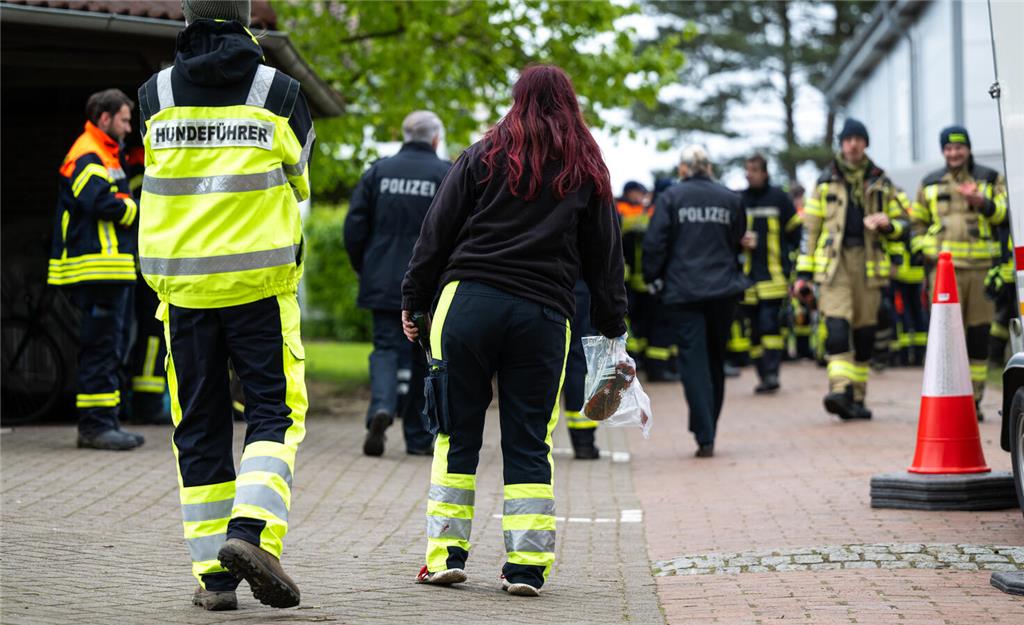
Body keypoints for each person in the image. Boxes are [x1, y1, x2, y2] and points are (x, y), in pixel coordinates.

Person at [401, 64, 627, 597]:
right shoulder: (587, 169)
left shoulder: (483, 156)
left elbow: (436, 231)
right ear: (571, 105)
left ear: (517, 100)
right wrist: (612, 325)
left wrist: (413, 299)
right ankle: (525, 567)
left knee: (455, 432)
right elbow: (605, 257)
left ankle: (444, 558)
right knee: (530, 441)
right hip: (544, 314)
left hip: (467, 306)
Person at [137, 0, 315, 611]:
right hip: (257, 287)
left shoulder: (153, 93)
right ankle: (250, 535)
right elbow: (299, 180)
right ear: (245, 16)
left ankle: (215, 580)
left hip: (183, 290)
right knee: (274, 414)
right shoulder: (279, 90)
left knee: (199, 426)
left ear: (186, 15)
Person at [344, 111, 450, 457]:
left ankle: (382, 407)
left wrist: (367, 267)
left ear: (405, 134)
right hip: (430, 285)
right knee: (425, 357)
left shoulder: (378, 171)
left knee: (386, 348)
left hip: (383, 279)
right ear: (435, 138)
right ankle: (419, 439)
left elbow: (354, 228)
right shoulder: (446, 174)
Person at [47, 89, 144, 451]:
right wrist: (134, 209)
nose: (129, 126)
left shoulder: (104, 151)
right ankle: (95, 427)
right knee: (101, 347)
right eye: (124, 119)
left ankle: (105, 422)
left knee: (109, 346)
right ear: (104, 118)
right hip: (96, 268)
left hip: (109, 269)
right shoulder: (88, 151)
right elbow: (100, 201)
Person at [795, 119, 909, 421]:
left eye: (858, 139)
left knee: (864, 333)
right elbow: (811, 232)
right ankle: (840, 389)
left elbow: (906, 223)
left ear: (866, 143)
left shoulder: (881, 181)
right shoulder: (824, 182)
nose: (853, 145)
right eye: (847, 140)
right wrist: (802, 276)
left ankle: (856, 398)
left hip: (869, 266)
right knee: (836, 329)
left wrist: (889, 224)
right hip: (835, 265)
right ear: (841, 144)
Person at [643, 145, 750, 458]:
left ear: (683, 169)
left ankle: (704, 434)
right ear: (709, 167)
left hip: (684, 291)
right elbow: (737, 238)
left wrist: (654, 279)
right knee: (716, 359)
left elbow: (654, 244)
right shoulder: (731, 199)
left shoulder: (671, 199)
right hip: (723, 292)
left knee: (693, 362)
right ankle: (709, 427)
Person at [910, 126, 1008, 418]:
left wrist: (983, 203)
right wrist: (928, 249)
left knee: (978, 336)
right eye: (948, 148)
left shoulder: (990, 178)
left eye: (959, 147)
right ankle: (945, 399)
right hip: (943, 273)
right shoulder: (929, 182)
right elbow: (916, 224)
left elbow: (1006, 214)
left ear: (968, 148)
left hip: (980, 271)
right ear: (943, 151)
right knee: (945, 338)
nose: (954, 153)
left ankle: (973, 400)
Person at [739, 154, 801, 393]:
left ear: (765, 173)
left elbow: (796, 235)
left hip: (774, 276)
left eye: (753, 170)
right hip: (747, 279)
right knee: (753, 330)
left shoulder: (779, 198)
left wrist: (792, 267)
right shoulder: (740, 199)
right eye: (747, 169)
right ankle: (763, 375)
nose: (749, 174)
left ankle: (773, 373)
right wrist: (739, 241)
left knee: (769, 325)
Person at [561, 280, 601, 459]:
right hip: (581, 287)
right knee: (579, 359)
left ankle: (536, 439)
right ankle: (584, 444)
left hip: (541, 288)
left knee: (542, 362)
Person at [616, 181, 653, 363]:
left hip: (638, 273)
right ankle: (630, 355)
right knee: (628, 314)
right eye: (638, 193)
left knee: (640, 316)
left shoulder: (644, 210)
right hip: (625, 274)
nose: (641, 197)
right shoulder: (619, 208)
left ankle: (638, 355)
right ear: (629, 192)